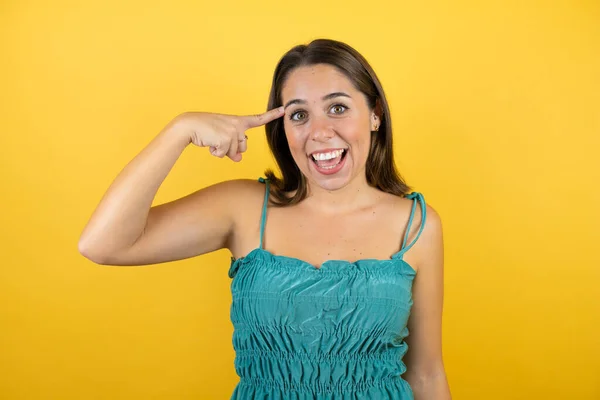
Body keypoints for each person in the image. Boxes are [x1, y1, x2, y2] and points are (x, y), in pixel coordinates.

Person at [79, 38, 451, 399]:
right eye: (299, 115)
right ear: (282, 127)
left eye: (338, 108)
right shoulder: (243, 209)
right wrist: (180, 129)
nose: (320, 132)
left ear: (375, 115)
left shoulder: (417, 226)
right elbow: (102, 244)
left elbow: (426, 374)